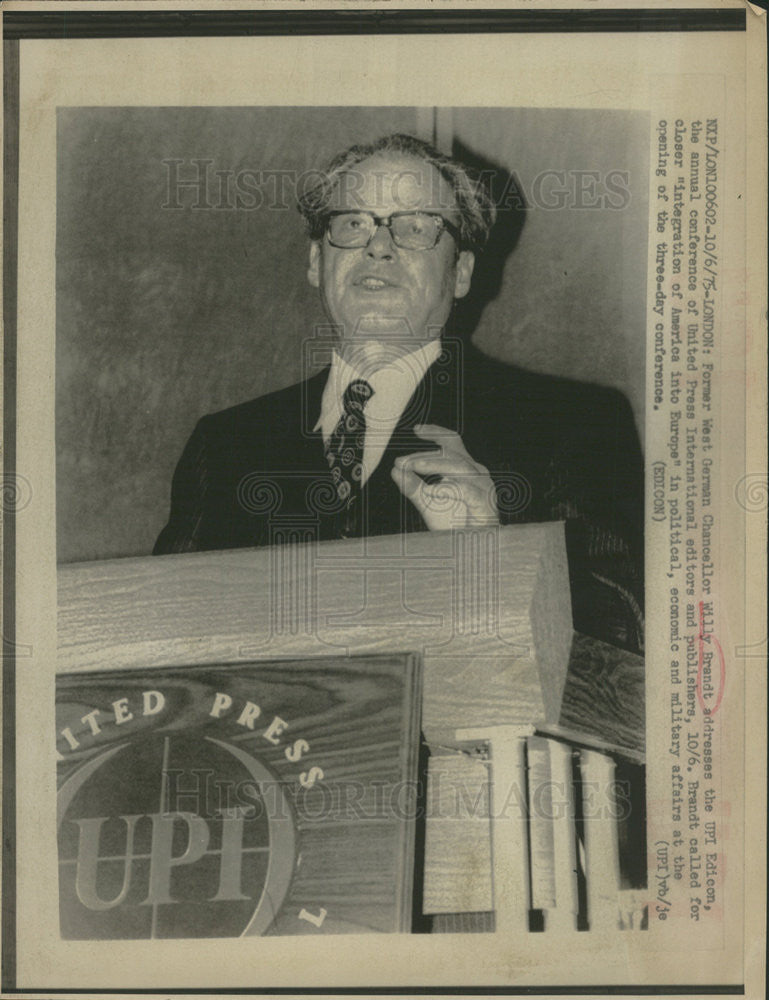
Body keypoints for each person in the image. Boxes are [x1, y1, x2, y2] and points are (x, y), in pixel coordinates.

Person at [154, 133, 644, 652]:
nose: (379, 246)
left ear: (461, 273)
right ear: (317, 262)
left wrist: (489, 551)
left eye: (416, 227)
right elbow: (151, 640)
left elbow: (622, 638)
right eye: (352, 223)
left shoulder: (570, 423)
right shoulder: (226, 443)